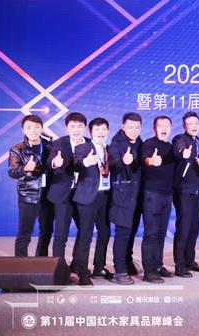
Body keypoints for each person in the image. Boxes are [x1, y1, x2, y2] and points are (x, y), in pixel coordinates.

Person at [71, 117, 111, 285]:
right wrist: (86, 162)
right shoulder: (83, 147)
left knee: (105, 232)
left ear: (108, 131)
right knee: (86, 235)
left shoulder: (108, 149)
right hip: (87, 197)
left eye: (104, 129)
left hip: (105, 196)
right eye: (97, 129)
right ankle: (82, 273)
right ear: (91, 132)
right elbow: (76, 164)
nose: (101, 132)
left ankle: (99, 267)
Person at [172, 111, 199, 277]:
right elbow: (178, 150)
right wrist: (183, 153)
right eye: (190, 123)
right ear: (184, 126)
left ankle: (189, 260)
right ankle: (180, 265)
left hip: (197, 190)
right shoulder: (180, 139)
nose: (194, 126)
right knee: (184, 228)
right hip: (184, 191)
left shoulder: (198, 142)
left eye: (196, 123)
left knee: (194, 227)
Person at [8, 114, 52, 257]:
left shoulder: (49, 146)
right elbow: (12, 172)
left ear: (42, 128)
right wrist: (25, 168)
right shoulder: (17, 149)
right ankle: (20, 264)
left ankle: (41, 261)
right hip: (28, 194)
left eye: (36, 127)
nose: (33, 131)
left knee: (46, 231)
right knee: (25, 232)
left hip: (48, 194)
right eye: (29, 127)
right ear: (23, 130)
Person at [46, 112, 88, 262]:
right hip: (63, 194)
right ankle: (59, 268)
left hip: (83, 194)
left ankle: (77, 265)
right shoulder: (59, 143)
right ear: (67, 128)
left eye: (79, 126)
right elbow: (50, 161)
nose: (76, 130)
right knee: (61, 234)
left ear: (85, 128)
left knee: (84, 232)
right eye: (72, 126)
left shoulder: (90, 144)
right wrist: (55, 163)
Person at [108, 112, 143, 285]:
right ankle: (119, 270)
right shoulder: (116, 143)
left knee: (131, 231)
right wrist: (123, 160)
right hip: (122, 193)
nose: (134, 130)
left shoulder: (140, 142)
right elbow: (113, 165)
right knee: (122, 232)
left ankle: (128, 262)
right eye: (130, 127)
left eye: (137, 127)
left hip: (137, 194)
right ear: (123, 126)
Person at [141, 116, 176, 283]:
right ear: (155, 128)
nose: (164, 129)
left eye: (167, 126)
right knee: (151, 233)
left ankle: (157, 264)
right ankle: (149, 271)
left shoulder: (171, 148)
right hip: (152, 194)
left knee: (161, 232)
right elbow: (146, 159)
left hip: (167, 195)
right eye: (160, 126)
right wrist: (151, 161)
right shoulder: (149, 144)